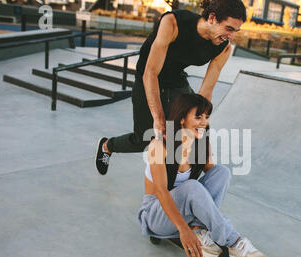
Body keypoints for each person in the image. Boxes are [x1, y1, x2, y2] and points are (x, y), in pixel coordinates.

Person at [95, 0, 246, 175]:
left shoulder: (223, 48)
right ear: (212, 18)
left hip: (177, 81)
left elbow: (206, 91)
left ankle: (196, 182)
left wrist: (198, 118)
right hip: (149, 78)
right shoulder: (173, 23)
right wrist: (158, 118)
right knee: (147, 137)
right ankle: (107, 146)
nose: (232, 37)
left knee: (199, 128)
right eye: (229, 29)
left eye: (236, 31)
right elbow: (150, 73)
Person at [137, 93, 268, 257]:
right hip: (155, 215)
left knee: (221, 172)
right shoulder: (159, 146)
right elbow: (161, 191)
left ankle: (198, 229)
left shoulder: (201, 144)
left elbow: (213, 184)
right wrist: (183, 230)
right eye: (198, 117)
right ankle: (234, 241)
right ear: (182, 119)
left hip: (183, 212)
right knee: (191, 186)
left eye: (206, 117)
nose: (204, 122)